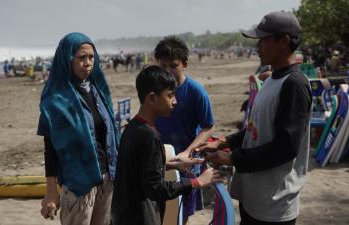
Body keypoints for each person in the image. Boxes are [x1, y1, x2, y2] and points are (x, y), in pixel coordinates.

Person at [195, 11, 312, 225]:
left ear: (284, 41)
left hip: (274, 204)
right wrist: (226, 142)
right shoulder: (271, 79)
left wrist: (231, 158)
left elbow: (286, 147)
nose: (258, 47)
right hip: (256, 197)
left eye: (264, 40)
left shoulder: (294, 85)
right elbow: (255, 128)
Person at [111, 65, 222, 225]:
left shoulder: (132, 128)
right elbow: (155, 189)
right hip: (141, 217)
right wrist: (196, 182)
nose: (175, 101)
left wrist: (173, 165)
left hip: (125, 214)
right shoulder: (149, 137)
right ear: (152, 99)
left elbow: (138, 170)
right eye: (170, 95)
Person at [37, 32, 119, 225]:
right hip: (78, 186)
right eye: (81, 58)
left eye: (91, 57)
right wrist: (51, 193)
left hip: (106, 180)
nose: (88, 62)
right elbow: (51, 150)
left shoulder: (98, 91)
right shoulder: (55, 101)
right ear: (67, 60)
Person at [153, 36, 215, 224]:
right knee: (159, 212)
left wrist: (188, 151)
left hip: (186, 165)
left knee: (181, 215)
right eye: (162, 66)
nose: (168, 72)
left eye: (173, 66)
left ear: (184, 64)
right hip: (160, 161)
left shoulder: (196, 91)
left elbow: (208, 126)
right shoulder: (155, 90)